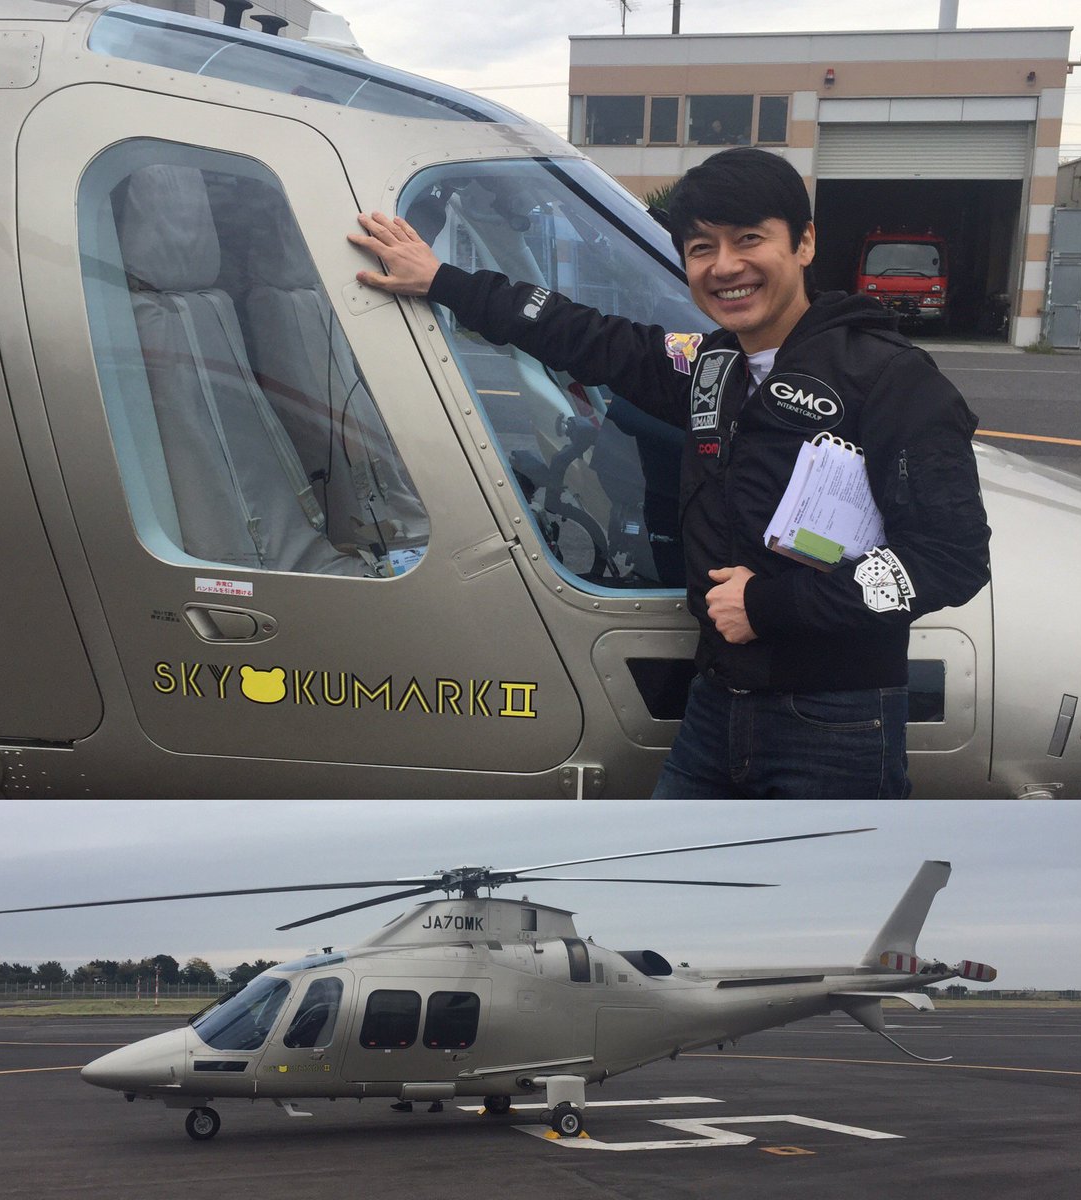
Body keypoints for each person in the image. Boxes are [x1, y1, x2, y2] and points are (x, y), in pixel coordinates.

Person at [348, 148, 990, 799]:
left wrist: (770, 606)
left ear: (803, 243)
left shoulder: (891, 379)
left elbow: (951, 560)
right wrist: (443, 280)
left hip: (836, 724)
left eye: (749, 239)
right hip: (714, 707)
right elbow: (587, 335)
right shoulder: (714, 368)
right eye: (701, 248)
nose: (725, 266)